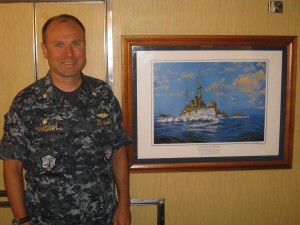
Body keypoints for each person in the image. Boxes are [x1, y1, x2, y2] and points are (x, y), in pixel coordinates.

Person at [0, 14, 131, 225]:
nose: (69, 53)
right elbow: (12, 166)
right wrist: (22, 220)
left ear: (85, 46)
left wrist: (124, 204)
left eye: (76, 43)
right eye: (59, 44)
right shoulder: (26, 102)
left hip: (101, 216)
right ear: (44, 50)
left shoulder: (102, 95)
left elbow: (119, 152)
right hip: (44, 219)